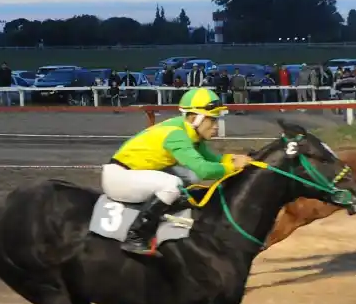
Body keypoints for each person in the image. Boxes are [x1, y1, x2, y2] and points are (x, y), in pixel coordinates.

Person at [101, 87, 254, 254]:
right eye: (212, 120)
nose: (216, 126)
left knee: (189, 176)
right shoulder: (177, 135)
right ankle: (136, 236)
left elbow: (212, 160)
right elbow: (204, 170)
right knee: (172, 184)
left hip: (131, 174)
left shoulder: (189, 132)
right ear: (196, 118)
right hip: (119, 179)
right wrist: (233, 166)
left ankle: (166, 208)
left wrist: (234, 159)